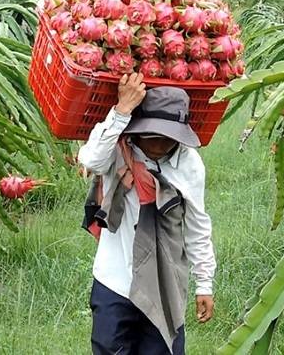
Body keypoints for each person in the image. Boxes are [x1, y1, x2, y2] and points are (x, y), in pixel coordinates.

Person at [78, 73, 216, 355]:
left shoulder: (189, 164)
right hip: (114, 280)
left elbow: (197, 226)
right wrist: (121, 110)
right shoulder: (117, 148)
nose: (159, 145)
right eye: (153, 136)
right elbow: (90, 159)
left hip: (165, 285)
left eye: (167, 138)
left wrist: (204, 283)